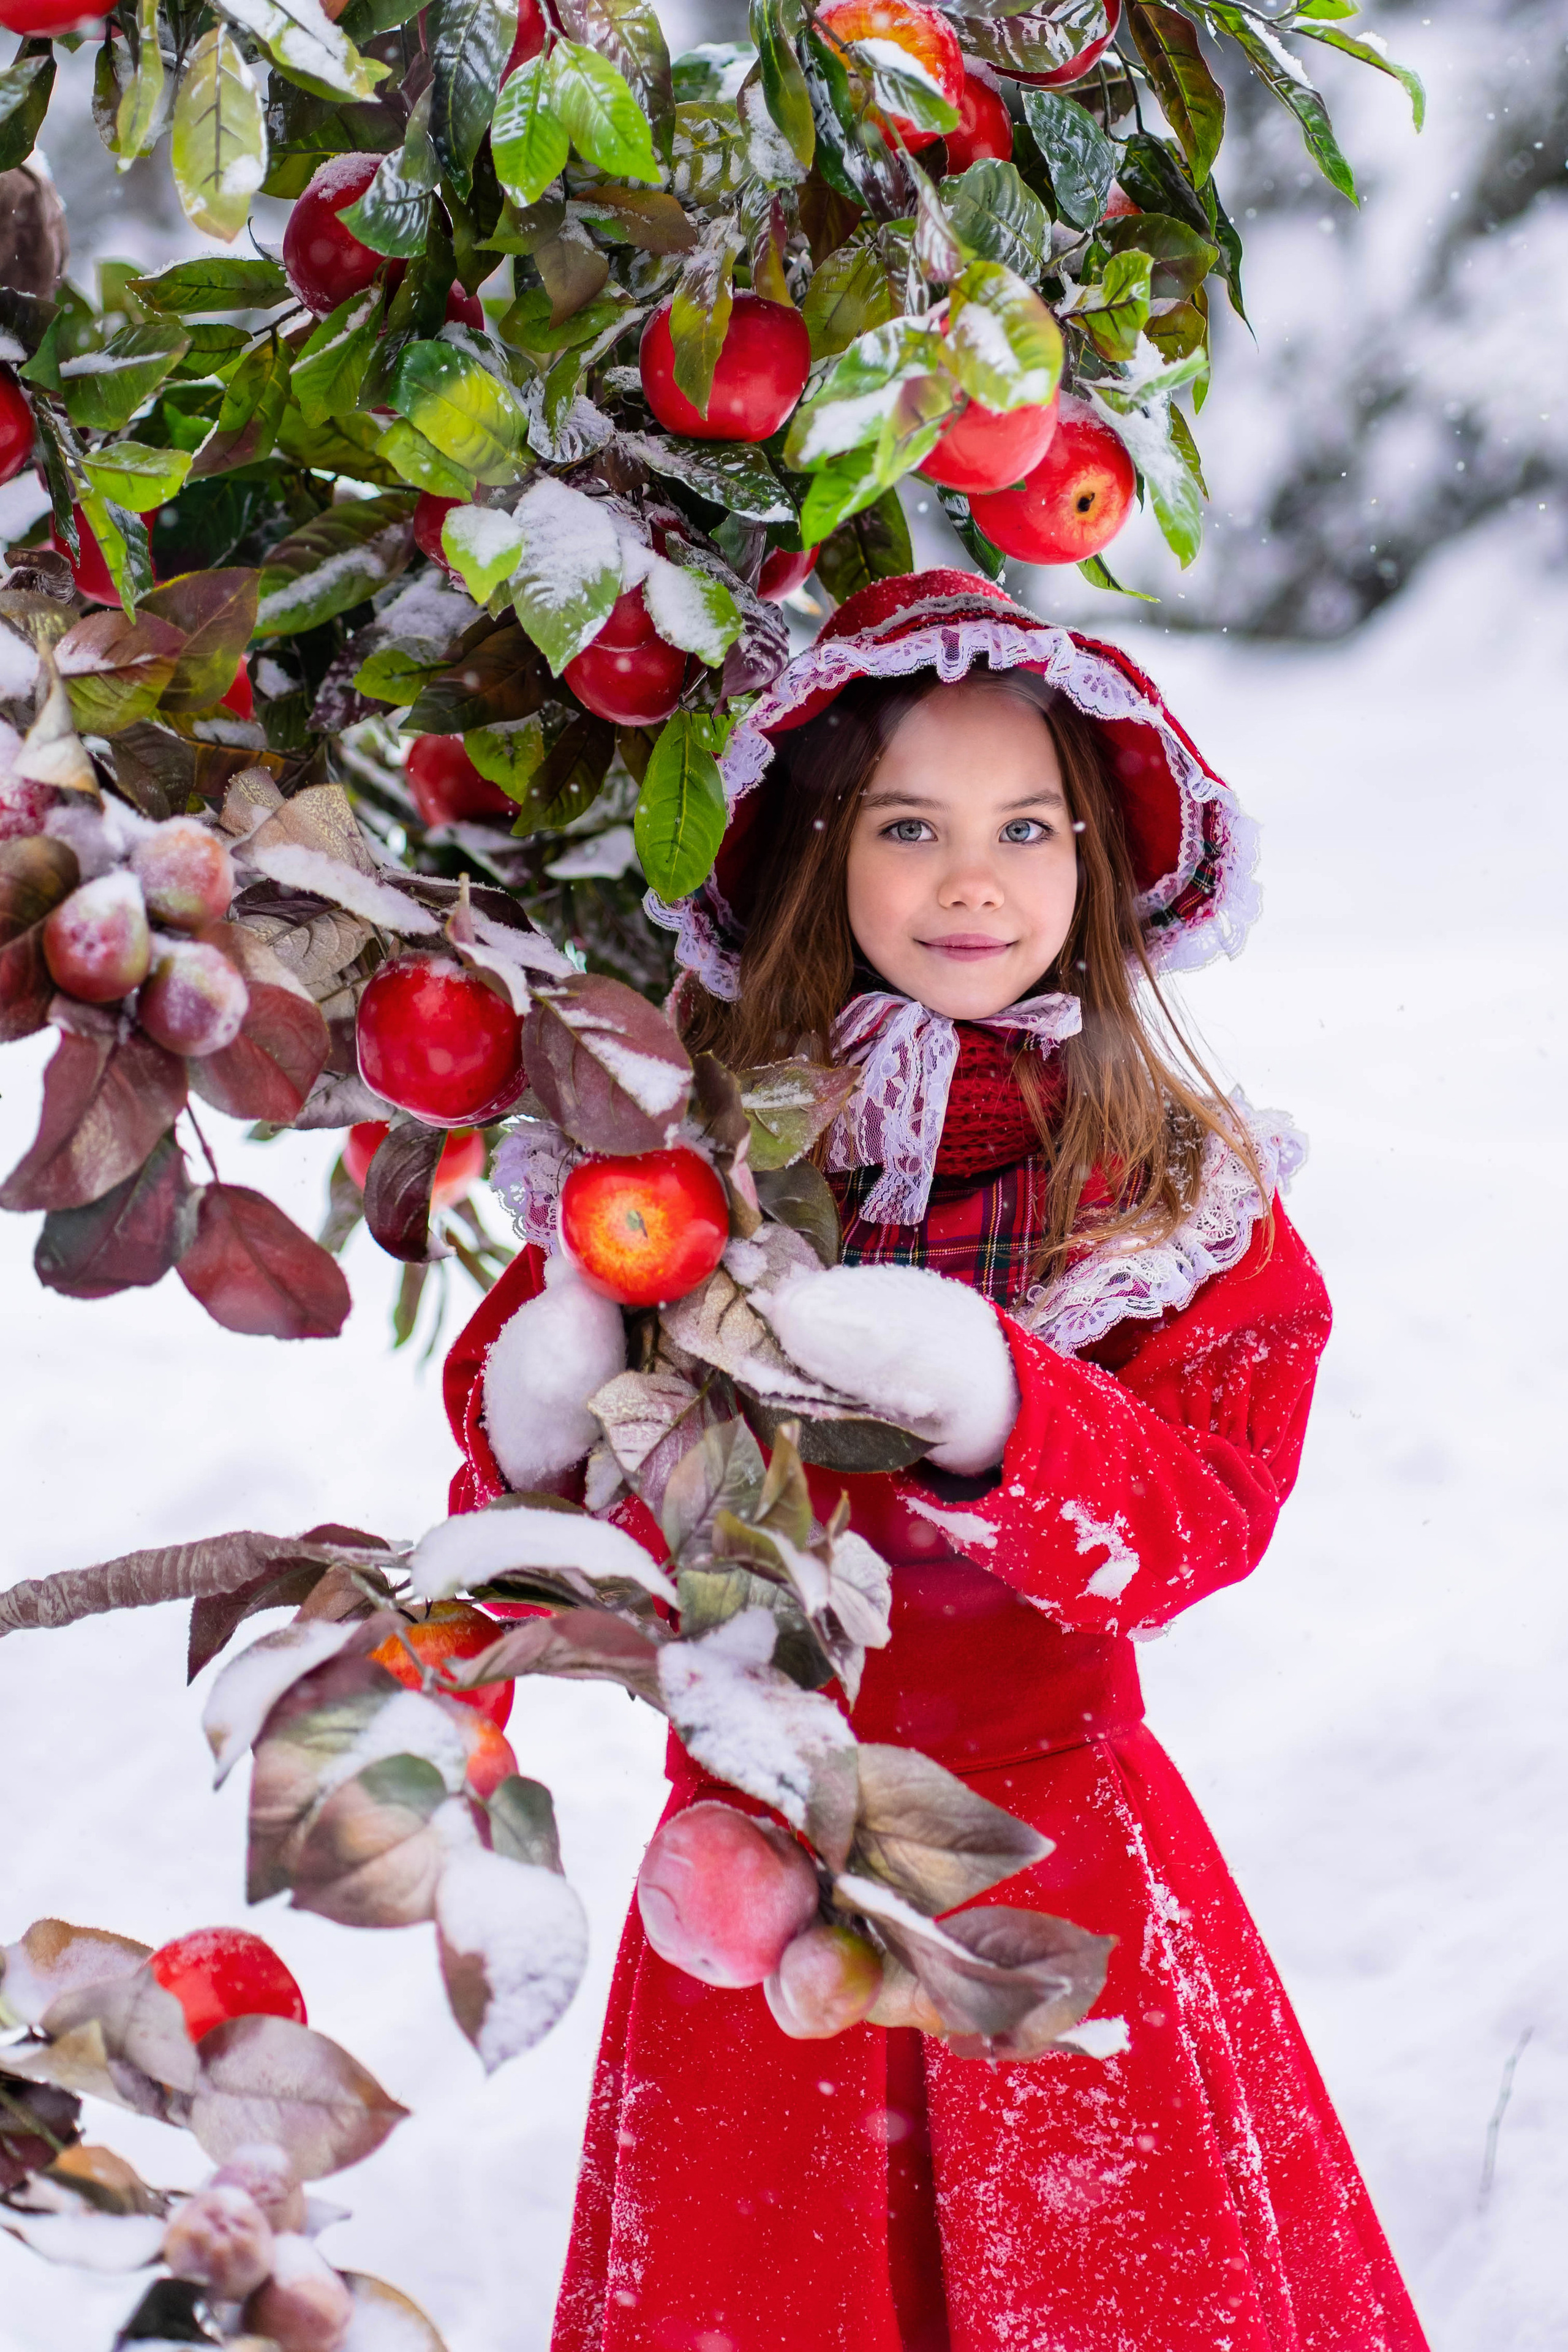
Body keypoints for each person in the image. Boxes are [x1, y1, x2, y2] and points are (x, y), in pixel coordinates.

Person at [444, 570, 1430, 2352]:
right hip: (760, 1878)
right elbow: (540, 1531)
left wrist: (1000, 1410)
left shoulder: (1155, 1190)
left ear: (1100, 867)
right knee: (776, 2281)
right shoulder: (693, 1160)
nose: (976, 882)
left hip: (1052, 1858)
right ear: (821, 858)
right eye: (913, 827)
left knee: (1106, 2280)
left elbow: (1202, 1517)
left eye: (1028, 830)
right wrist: (561, 1404)